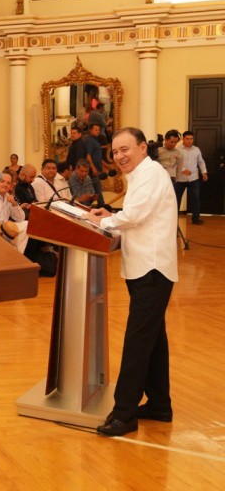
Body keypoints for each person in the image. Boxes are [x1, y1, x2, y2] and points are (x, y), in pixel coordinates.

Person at [86, 127, 178, 437]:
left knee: (138, 341)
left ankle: (124, 414)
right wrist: (109, 213)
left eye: (125, 149)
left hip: (152, 269)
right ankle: (159, 404)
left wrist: (104, 220)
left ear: (142, 148)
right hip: (144, 268)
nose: (120, 156)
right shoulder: (141, 176)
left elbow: (136, 214)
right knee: (153, 339)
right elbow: (137, 213)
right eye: (114, 152)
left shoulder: (150, 173)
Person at [175, 130, 208, 224]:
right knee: (177, 199)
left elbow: (200, 161)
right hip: (180, 178)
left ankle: (195, 218)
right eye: (187, 139)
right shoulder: (177, 149)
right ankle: (174, 219)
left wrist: (204, 172)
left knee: (195, 197)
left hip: (194, 178)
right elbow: (174, 163)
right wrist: (182, 170)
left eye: (191, 139)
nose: (189, 141)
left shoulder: (196, 149)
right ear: (182, 139)